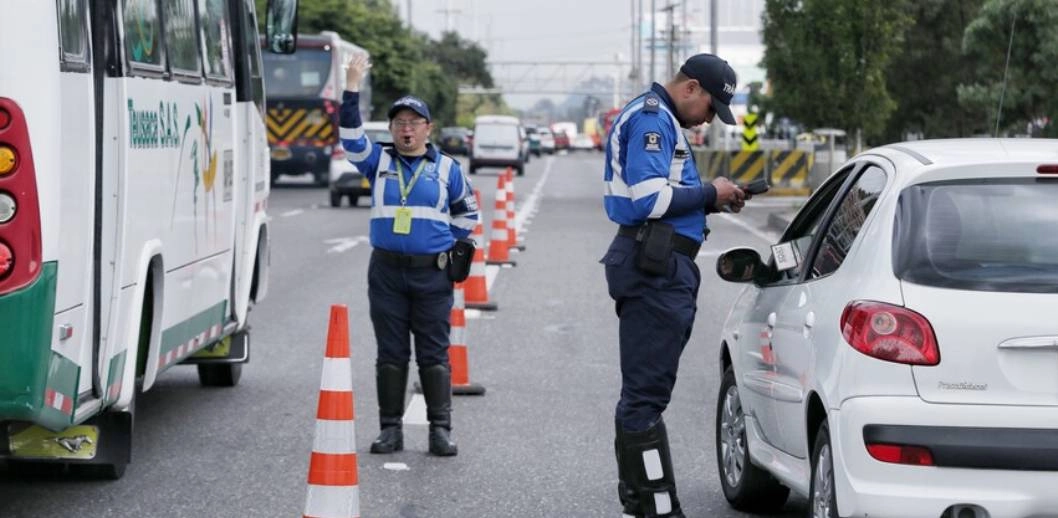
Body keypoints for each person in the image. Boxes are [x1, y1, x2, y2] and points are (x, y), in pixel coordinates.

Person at [600, 53, 749, 517]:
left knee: (642, 396)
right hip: (655, 270)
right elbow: (649, 199)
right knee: (645, 400)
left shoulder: (662, 119)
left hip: (659, 265)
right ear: (691, 89)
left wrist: (713, 202)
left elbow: (666, 198)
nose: (707, 120)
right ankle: (658, 508)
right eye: (709, 108)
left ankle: (639, 502)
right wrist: (711, 193)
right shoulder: (653, 121)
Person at [339, 54, 479, 457]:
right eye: (399, 122)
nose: (406, 129)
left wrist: (444, 246)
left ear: (427, 129)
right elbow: (349, 135)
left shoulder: (447, 169)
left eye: (413, 123)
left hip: (431, 276)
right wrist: (351, 86)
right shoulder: (377, 161)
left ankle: (440, 430)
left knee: (434, 355)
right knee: (391, 354)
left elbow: (467, 213)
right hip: (386, 273)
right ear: (391, 129)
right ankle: (390, 431)